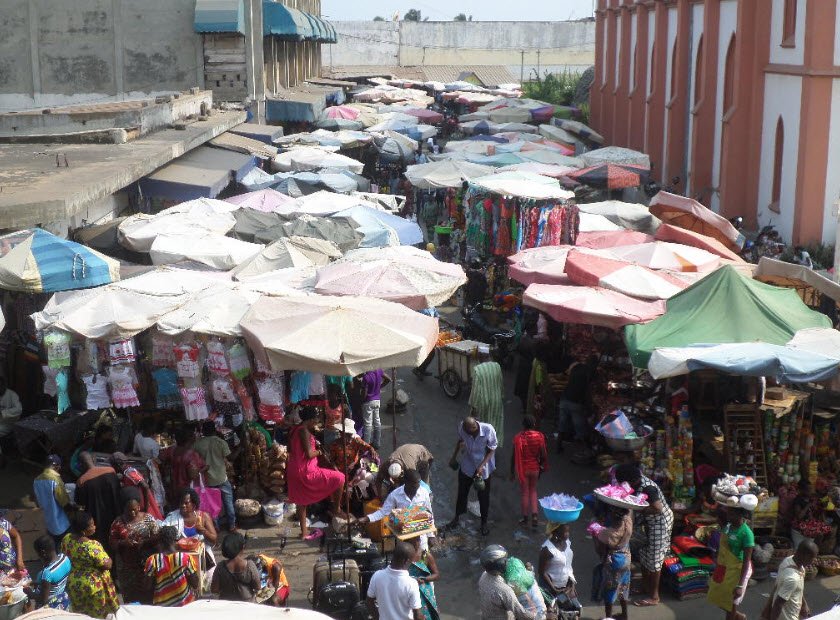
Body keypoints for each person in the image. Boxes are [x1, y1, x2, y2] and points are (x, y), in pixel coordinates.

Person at [614, 463, 673, 607]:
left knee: (654, 560)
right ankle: (646, 586)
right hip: (648, 524)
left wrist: (639, 508)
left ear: (631, 481)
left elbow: (657, 508)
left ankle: (654, 596)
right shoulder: (636, 483)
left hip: (660, 524)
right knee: (645, 555)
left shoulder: (648, 488)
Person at [286, 406, 345, 540]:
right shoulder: (304, 431)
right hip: (306, 470)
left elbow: (291, 449)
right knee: (340, 478)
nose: (316, 423)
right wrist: (320, 451)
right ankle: (336, 509)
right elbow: (309, 454)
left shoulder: (294, 429)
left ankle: (304, 532)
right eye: (316, 420)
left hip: (293, 469)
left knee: (301, 502)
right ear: (311, 420)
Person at [61, 511, 119, 618]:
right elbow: (107, 565)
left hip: (74, 584)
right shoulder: (92, 546)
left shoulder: (67, 539)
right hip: (93, 586)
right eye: (91, 525)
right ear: (83, 531)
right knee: (98, 616)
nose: (94, 526)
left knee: (82, 615)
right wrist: (109, 559)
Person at [446, 417, 497, 536]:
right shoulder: (462, 427)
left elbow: (491, 450)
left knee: (483, 496)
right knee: (462, 493)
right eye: (466, 432)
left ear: (475, 428)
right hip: (467, 465)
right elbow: (460, 441)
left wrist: (481, 466)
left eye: (470, 432)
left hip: (483, 468)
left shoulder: (488, 429)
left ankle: (484, 523)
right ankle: (457, 518)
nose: (468, 434)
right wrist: (453, 457)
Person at [359, 470, 435, 549]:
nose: (417, 486)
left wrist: (431, 535)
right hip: (403, 532)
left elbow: (429, 513)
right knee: (405, 554)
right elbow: (383, 512)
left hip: (419, 531)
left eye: (418, 483)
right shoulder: (395, 495)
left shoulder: (424, 492)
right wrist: (366, 518)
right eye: (414, 484)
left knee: (423, 555)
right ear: (406, 482)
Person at [108, 492, 159, 604]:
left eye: (135, 509)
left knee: (148, 593)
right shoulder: (118, 522)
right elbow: (112, 542)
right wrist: (123, 543)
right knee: (131, 596)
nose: (132, 512)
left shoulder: (148, 518)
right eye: (129, 510)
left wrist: (144, 542)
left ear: (139, 507)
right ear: (124, 509)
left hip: (146, 564)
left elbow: (157, 536)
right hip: (127, 567)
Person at [707, 506, 755, 620]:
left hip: (739, 570)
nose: (729, 517)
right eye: (728, 514)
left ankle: (734, 616)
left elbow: (746, 562)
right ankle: (738, 616)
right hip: (726, 567)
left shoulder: (747, 534)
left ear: (740, 515)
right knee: (717, 595)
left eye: (732, 514)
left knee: (730, 603)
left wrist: (740, 585)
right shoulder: (728, 527)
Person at [193, 420, 237, 532]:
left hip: (208, 480)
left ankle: (216, 527)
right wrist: (239, 448)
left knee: (212, 506)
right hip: (222, 477)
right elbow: (230, 457)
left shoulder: (197, 444)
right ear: (214, 430)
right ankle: (232, 525)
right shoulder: (221, 442)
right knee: (228, 503)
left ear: (203, 431)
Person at [592, 504, 633, 620]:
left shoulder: (607, 533)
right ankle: (624, 615)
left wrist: (595, 534)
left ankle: (608, 617)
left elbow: (600, 551)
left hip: (614, 563)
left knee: (609, 590)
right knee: (624, 587)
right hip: (626, 560)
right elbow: (629, 511)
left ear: (612, 516)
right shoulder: (628, 522)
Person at [75, 452, 122, 551]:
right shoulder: (110, 471)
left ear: (81, 464)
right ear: (93, 459)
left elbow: (80, 503)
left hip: (97, 521)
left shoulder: (81, 481)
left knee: (102, 546)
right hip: (114, 516)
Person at [144, 525, 199, 607]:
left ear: (159, 542)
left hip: (162, 606)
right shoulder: (185, 558)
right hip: (185, 605)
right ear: (176, 541)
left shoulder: (152, 560)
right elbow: (195, 583)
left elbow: (147, 586)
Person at [366, 541, 424, 620]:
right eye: (411, 561)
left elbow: (369, 602)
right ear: (406, 561)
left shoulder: (377, 576)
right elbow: (417, 615)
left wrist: (378, 617)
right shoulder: (411, 584)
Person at [477, 544, 535, 620]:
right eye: (504, 560)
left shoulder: (483, 576)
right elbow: (521, 613)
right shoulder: (505, 590)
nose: (507, 562)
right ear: (498, 565)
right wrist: (535, 616)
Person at [766, 539, 819, 620]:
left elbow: (797, 590)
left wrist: (804, 604)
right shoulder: (793, 579)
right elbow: (778, 604)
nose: (813, 561)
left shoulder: (788, 561)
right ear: (805, 556)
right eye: (812, 558)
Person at [510, 415, 547, 530]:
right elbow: (543, 454)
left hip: (523, 470)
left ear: (523, 425)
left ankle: (525, 519)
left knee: (525, 493)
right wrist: (541, 466)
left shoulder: (518, 438)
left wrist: (511, 471)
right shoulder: (539, 436)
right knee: (533, 491)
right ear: (534, 424)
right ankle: (535, 516)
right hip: (535, 468)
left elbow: (513, 456)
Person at [556, 354, 598, 446]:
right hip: (575, 402)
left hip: (564, 398)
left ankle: (559, 443)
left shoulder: (577, 367)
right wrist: (589, 409)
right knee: (580, 427)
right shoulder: (590, 373)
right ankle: (583, 449)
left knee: (562, 423)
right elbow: (587, 391)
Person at [538, 523, 581, 613]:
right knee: (553, 614)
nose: (568, 534)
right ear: (556, 532)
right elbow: (542, 572)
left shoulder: (567, 542)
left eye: (568, 531)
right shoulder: (547, 549)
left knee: (575, 610)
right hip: (550, 589)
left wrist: (572, 583)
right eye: (565, 532)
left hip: (566, 587)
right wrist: (554, 589)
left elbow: (568, 565)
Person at [160, 427, 206, 507]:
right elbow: (193, 475)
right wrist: (203, 469)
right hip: (187, 491)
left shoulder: (171, 450)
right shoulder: (191, 455)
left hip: (173, 489)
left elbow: (160, 458)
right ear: (190, 439)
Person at [33, 454, 71, 547]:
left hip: (47, 522)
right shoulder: (55, 479)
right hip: (61, 523)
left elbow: (37, 501)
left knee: (53, 546)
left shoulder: (36, 480)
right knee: (64, 547)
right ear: (57, 467)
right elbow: (64, 502)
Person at [111, 452, 163, 520]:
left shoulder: (129, 472)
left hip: (142, 504)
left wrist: (146, 507)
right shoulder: (126, 471)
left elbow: (145, 486)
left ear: (117, 465)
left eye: (113, 465)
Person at [211, 532, 261, 602]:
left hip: (226, 603)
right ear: (242, 548)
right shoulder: (250, 565)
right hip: (247, 604)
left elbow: (214, 589)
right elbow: (257, 587)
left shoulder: (220, 566)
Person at [27, 535, 71, 610]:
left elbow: (43, 599)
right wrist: (37, 582)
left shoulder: (47, 573)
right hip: (63, 600)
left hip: (51, 606)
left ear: (43, 553)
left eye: (38, 554)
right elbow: (56, 582)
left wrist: (30, 593)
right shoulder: (65, 558)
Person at [407, 534, 440, 620]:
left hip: (424, 592)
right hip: (408, 591)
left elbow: (436, 575)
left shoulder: (425, 556)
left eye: (418, 540)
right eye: (412, 540)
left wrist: (424, 579)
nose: (416, 543)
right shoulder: (404, 556)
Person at [361, 369, 390, 449]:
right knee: (377, 422)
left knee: (368, 425)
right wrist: (379, 388)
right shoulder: (378, 371)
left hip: (368, 402)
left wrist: (361, 401)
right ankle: (377, 442)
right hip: (377, 400)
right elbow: (388, 379)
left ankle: (366, 446)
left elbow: (364, 393)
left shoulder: (366, 377)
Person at [0, 376, 22, 467]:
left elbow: (19, 410)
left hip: (8, 423)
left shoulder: (12, 395)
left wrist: (3, 413)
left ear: (3, 385)